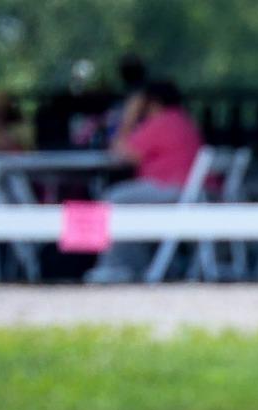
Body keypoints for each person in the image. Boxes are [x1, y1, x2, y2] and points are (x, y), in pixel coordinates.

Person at [84, 80, 203, 284]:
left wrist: (128, 118)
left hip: (173, 192)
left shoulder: (162, 121)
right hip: (188, 192)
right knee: (125, 197)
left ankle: (118, 268)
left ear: (151, 103)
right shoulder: (181, 120)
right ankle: (129, 265)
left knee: (112, 199)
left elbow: (122, 153)